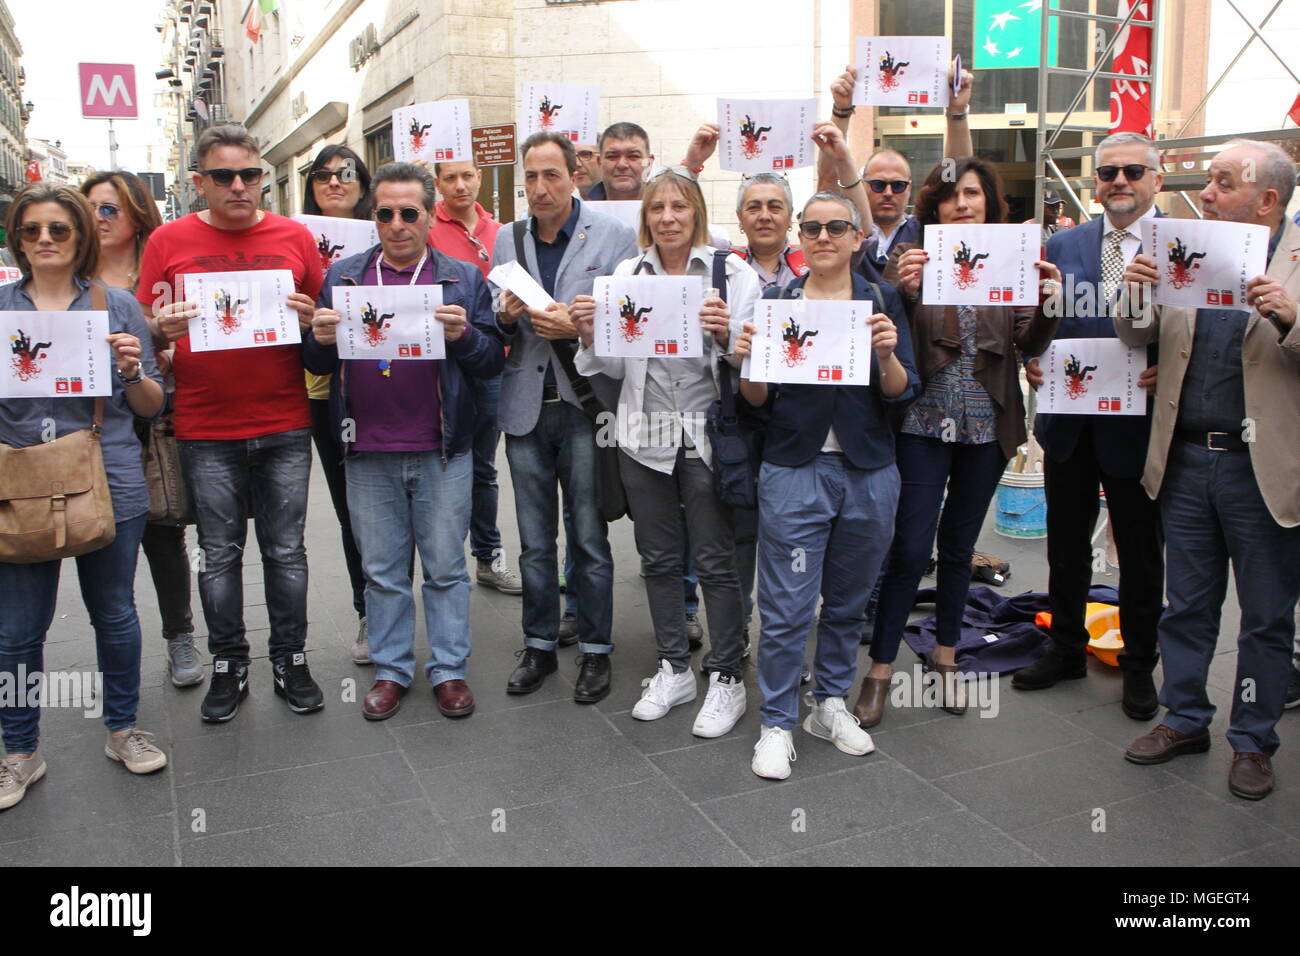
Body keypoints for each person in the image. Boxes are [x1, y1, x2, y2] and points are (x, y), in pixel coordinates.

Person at [1117, 139, 1300, 801]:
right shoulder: (1183, 251)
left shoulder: (1297, 262)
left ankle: (1252, 740)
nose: (1208, 192)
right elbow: (1137, 337)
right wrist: (1134, 295)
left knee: (1266, 617)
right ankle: (1186, 718)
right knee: (1187, 605)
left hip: (1263, 470)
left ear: (1267, 199)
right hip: (1188, 460)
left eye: (1222, 182)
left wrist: (1290, 316)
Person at [858, 158, 1060, 726]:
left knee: (958, 548)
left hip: (986, 428)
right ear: (936, 208)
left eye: (973, 194)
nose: (963, 203)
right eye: (951, 196)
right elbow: (889, 337)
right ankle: (879, 669)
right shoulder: (912, 262)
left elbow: (1030, 342)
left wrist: (1049, 302)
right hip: (922, 424)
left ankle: (947, 657)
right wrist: (904, 293)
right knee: (908, 547)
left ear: (990, 204)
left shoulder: (1013, 264)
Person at [137, 123, 326, 723]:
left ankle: (291, 659)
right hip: (205, 426)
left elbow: (324, 320)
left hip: (285, 421)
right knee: (218, 554)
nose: (240, 186)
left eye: (251, 175)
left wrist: (309, 315)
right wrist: (159, 333)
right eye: (224, 176)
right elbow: (147, 330)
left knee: (287, 551)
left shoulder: (295, 236)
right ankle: (228, 663)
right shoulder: (168, 240)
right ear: (199, 183)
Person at [306, 163, 505, 721]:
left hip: (442, 448)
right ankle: (392, 669)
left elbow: (491, 363)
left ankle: (449, 669)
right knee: (384, 570)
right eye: (385, 214)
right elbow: (317, 362)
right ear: (373, 218)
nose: (397, 224)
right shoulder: (345, 277)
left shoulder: (462, 277)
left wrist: (464, 335)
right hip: (367, 448)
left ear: (427, 214)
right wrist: (318, 341)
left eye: (409, 213)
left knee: (445, 567)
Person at [571, 168, 760, 737]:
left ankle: (725, 675)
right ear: (645, 219)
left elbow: (757, 364)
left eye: (679, 207)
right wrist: (588, 336)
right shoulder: (626, 275)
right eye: (657, 209)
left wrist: (728, 336)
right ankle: (674, 667)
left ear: (696, 212)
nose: (669, 218)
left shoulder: (732, 274)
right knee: (657, 560)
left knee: (715, 561)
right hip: (642, 436)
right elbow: (609, 364)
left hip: (707, 438)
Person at [740, 190, 920, 780]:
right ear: (799, 235)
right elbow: (756, 403)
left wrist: (888, 355)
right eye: (812, 228)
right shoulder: (776, 302)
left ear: (855, 238)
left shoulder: (881, 300)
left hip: (868, 469)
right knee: (787, 605)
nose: (823, 237)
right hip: (795, 468)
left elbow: (902, 390)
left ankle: (831, 703)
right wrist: (747, 364)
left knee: (846, 601)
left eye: (836, 227)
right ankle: (775, 721)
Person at [0, 183, 168, 811]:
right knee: (17, 629)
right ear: (17, 239)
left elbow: (153, 405)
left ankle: (122, 729)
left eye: (58, 229)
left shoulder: (115, 305)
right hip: (19, 481)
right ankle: (20, 751)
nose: (44, 240)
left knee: (115, 613)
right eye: (31, 230)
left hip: (107, 474)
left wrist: (130, 371)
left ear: (79, 236)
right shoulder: (0, 309)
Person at [1014, 132, 1165, 722]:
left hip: (1138, 425)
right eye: (1107, 173)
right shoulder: (1064, 242)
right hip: (1070, 419)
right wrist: (1035, 350)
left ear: (1155, 176)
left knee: (1139, 550)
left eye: (1131, 171)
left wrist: (1170, 369)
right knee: (1065, 544)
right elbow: (1040, 327)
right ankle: (1067, 649)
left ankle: (1138, 664)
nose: (1119, 182)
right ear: (1094, 182)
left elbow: (1194, 330)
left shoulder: (1178, 245)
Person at [492, 131, 638, 704]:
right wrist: (505, 320)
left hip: (585, 406)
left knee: (588, 536)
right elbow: (493, 322)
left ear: (576, 174)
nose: (539, 187)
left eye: (551, 174)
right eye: (530, 176)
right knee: (532, 542)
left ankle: (597, 651)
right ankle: (539, 645)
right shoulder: (509, 238)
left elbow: (631, 323)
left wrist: (580, 328)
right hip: (526, 409)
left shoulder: (615, 236)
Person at [80, 170, 203, 689]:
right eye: (88, 208)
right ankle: (116, 632)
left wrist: (168, 342)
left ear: (136, 216)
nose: (97, 219)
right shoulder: (71, 272)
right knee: (96, 532)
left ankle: (179, 634)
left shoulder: (160, 272)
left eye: (109, 209)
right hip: (85, 423)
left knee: (162, 527)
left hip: (152, 412)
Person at [429, 158, 522, 598]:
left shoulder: (502, 232)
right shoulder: (425, 227)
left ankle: (488, 556)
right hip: (441, 364)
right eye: (450, 178)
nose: (460, 185)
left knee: (483, 467)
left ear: (480, 178)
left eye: (468, 176)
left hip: (490, 359)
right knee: (442, 462)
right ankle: (442, 565)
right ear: (437, 184)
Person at [300, 145, 374, 666]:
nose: (334, 183)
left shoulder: (389, 230)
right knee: (351, 510)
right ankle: (368, 610)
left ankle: (395, 601)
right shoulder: (292, 240)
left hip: (383, 386)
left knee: (395, 509)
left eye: (346, 174)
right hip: (323, 391)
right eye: (324, 176)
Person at [828, 61, 974, 281]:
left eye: (898, 186)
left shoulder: (926, 230)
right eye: (878, 185)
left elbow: (956, 175)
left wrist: (957, 111)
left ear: (909, 188)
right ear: (862, 184)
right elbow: (830, 173)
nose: (888, 193)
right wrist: (841, 111)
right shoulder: (842, 231)